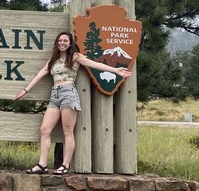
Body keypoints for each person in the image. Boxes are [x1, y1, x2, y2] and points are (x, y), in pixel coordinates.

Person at [13, 31, 132, 175]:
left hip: (68, 93)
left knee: (67, 131)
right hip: (54, 95)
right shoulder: (53, 60)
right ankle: (42, 164)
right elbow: (40, 74)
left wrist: (115, 70)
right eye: (60, 41)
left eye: (65, 41)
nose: (62, 43)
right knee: (45, 129)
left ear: (70, 43)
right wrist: (25, 91)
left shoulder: (75, 57)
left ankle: (65, 165)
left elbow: (94, 64)